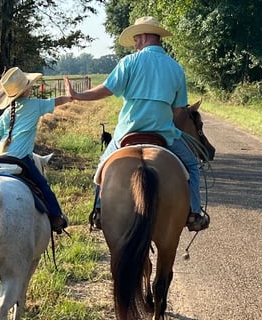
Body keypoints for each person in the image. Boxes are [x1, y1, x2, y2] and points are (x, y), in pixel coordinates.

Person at [64, 16, 209, 232]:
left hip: (127, 134)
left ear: (143, 37)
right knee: (192, 166)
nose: (135, 43)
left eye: (135, 39)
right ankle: (195, 212)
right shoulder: (176, 68)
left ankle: (99, 210)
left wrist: (77, 95)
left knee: (103, 166)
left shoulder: (129, 62)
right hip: (163, 135)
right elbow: (179, 111)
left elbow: (105, 90)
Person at [0, 66, 72, 233]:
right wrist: (70, 96)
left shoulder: (8, 111)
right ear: (26, 89)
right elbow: (57, 101)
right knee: (42, 185)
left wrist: (3, 145)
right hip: (20, 158)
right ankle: (56, 217)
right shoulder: (35, 105)